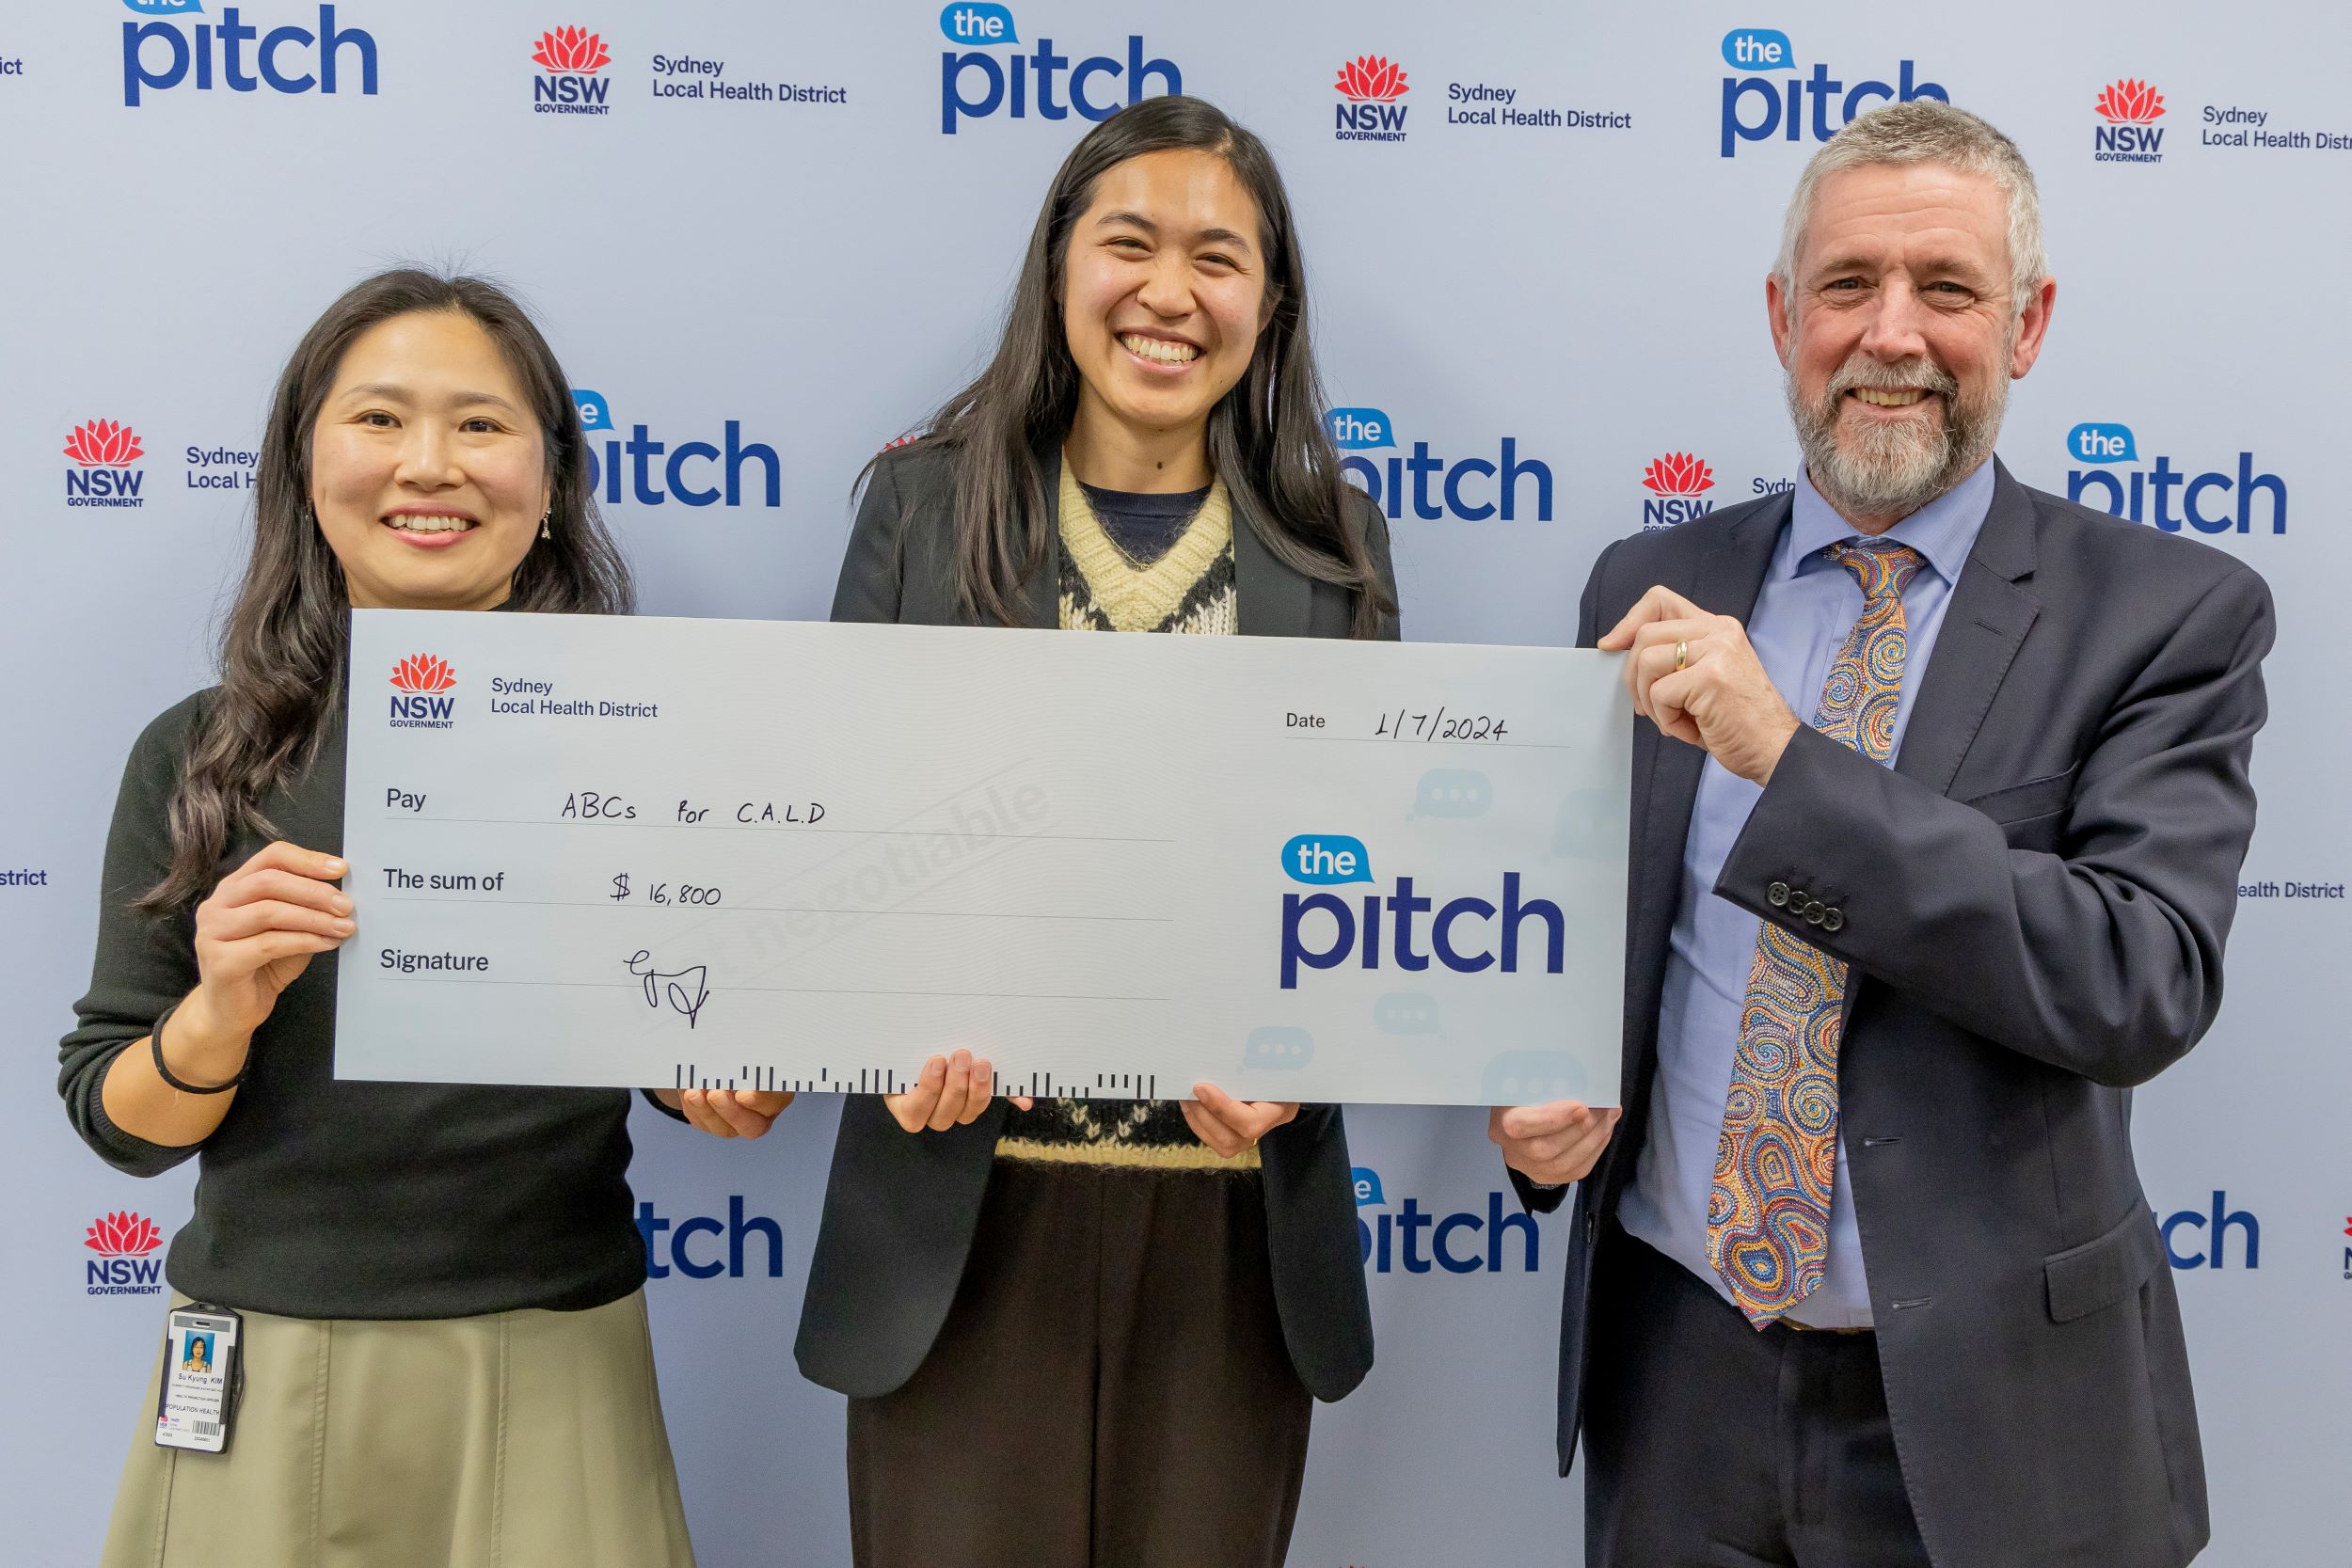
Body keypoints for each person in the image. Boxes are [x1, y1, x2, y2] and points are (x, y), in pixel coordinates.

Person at [1491, 102, 2271, 1568]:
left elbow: (2137, 977)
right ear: (1786, 316)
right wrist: (1550, 1117)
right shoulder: (1648, 579)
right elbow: (1595, 936)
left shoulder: (2169, 615)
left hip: (1997, 1423)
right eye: (1848, 285)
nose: (1891, 333)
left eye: (1949, 290)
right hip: (1679, 1382)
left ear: (2028, 326)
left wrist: (1785, 763)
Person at [57, 267, 785, 1568]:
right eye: (380, 419)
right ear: (304, 464)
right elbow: (117, 1122)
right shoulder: (199, 756)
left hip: (556, 1353)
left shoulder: (665, 737)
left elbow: (697, 1046)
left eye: (482, 424)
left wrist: (727, 1078)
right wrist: (216, 1015)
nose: (429, 465)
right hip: (263, 1360)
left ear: (553, 478)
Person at [798, 95, 1396, 1568]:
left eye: (1220, 257)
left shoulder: (1339, 546)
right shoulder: (921, 513)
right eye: (1129, 242)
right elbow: (827, 841)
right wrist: (881, 1027)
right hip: (961, 1230)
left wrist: (1304, 1071)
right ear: (1059, 269)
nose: (1170, 294)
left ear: (1272, 302)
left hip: (1231, 1251)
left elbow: (1367, 886)